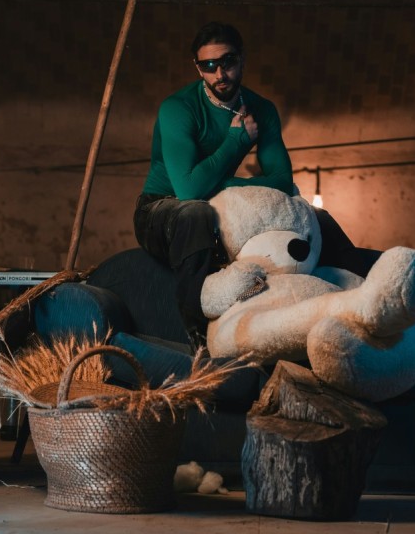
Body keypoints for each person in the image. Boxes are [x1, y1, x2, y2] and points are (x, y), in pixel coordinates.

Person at [134, 22, 371, 349]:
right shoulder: (178, 108)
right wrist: (237, 140)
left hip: (227, 206)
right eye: (209, 66)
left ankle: (368, 305)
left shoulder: (263, 109)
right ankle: (198, 341)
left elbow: (282, 183)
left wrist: (229, 187)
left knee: (318, 216)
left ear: (242, 60)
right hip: (162, 206)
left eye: (227, 62)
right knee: (195, 213)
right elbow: (188, 190)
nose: (220, 74)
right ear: (198, 68)